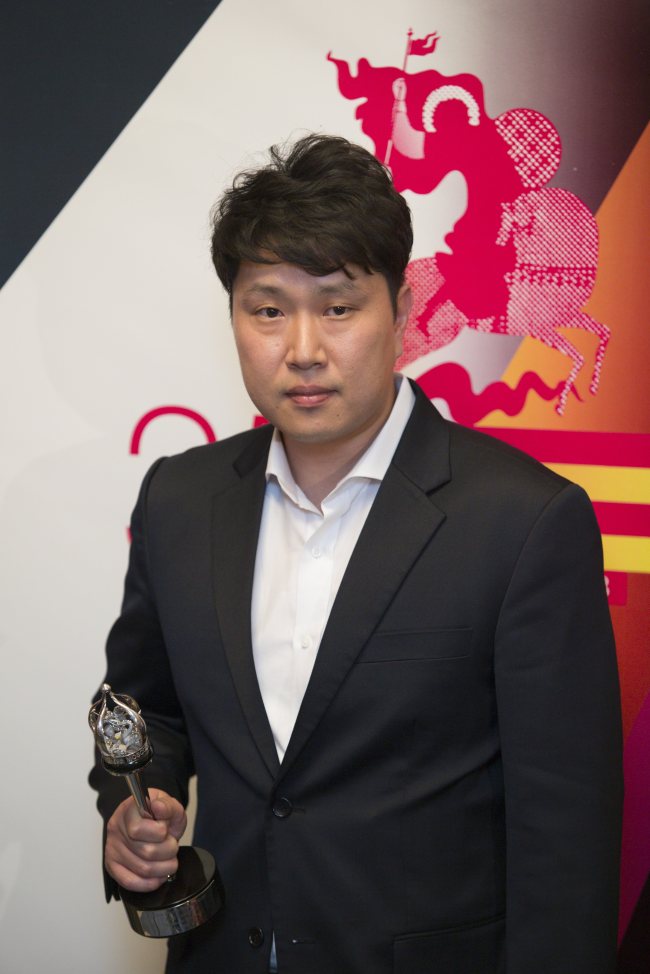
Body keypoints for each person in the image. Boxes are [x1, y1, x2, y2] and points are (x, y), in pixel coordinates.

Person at [90, 134, 623, 974]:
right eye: (268, 309)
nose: (302, 348)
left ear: (404, 312)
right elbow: (145, 708)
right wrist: (135, 805)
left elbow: (568, 842)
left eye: (338, 308)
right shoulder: (181, 500)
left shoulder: (525, 522)